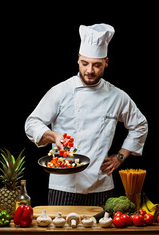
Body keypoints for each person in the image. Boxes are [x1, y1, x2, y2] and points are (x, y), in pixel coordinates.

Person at [25, 23, 148, 206]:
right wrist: (53, 136)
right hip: (63, 186)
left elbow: (140, 125)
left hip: (101, 184)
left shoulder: (117, 96)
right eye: (85, 63)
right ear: (78, 60)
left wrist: (120, 156)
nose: (89, 70)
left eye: (96, 65)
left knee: (100, 234)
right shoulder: (61, 91)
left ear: (106, 63)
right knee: (61, 234)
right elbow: (31, 123)